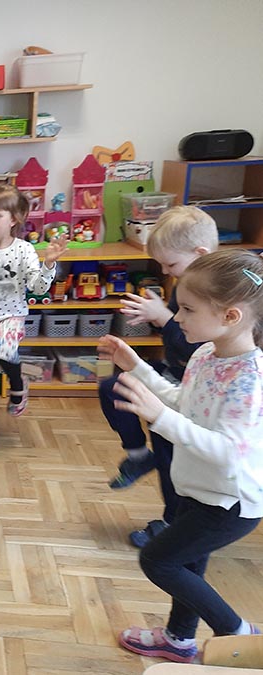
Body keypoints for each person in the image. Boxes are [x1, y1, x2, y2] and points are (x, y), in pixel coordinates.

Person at [100, 249, 263, 664]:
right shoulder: (207, 354)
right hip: (198, 489)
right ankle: (178, 639)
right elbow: (184, 402)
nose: (177, 318)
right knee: (189, 565)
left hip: (228, 502)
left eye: (187, 309)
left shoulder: (248, 378)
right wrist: (137, 368)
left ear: (230, 316)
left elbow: (228, 452)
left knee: (158, 560)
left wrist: (160, 418)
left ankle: (237, 632)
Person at [99, 206, 218, 547]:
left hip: (196, 389)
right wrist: (158, 318)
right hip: (174, 375)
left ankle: (172, 523)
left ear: (200, 254)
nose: (165, 272)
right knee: (114, 387)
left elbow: (198, 350)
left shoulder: (217, 297)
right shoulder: (185, 285)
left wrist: (164, 319)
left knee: (170, 457)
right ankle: (139, 457)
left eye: (170, 265)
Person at [0, 185, 69, 448]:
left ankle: (17, 383)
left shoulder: (24, 250)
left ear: (14, 219)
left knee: (1, 348)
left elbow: (38, 288)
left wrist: (48, 264)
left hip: (11, 317)